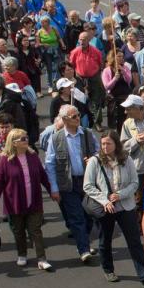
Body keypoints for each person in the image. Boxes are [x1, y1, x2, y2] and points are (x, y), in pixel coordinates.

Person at [84, 130, 144, 287]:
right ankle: (108, 269)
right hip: (106, 208)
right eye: (103, 144)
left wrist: (120, 195)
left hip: (125, 206)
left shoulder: (126, 159)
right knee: (105, 240)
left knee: (134, 241)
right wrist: (104, 200)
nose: (105, 146)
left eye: (108, 143)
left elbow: (135, 182)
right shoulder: (95, 161)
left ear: (116, 144)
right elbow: (87, 186)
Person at [0, 128, 53, 270]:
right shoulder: (5, 160)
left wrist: (51, 191)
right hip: (15, 203)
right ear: (14, 143)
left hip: (34, 200)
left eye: (27, 138)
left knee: (35, 230)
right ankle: (22, 254)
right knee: (18, 230)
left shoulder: (33, 156)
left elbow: (43, 175)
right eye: (23, 139)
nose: (27, 141)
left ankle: (42, 259)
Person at [45, 105, 99, 263]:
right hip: (68, 184)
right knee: (76, 218)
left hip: (87, 181)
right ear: (65, 120)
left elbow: (100, 152)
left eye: (78, 115)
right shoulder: (56, 138)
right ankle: (83, 249)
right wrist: (54, 189)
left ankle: (84, 242)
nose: (78, 118)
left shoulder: (88, 134)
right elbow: (50, 164)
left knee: (89, 216)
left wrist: (94, 159)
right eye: (74, 116)